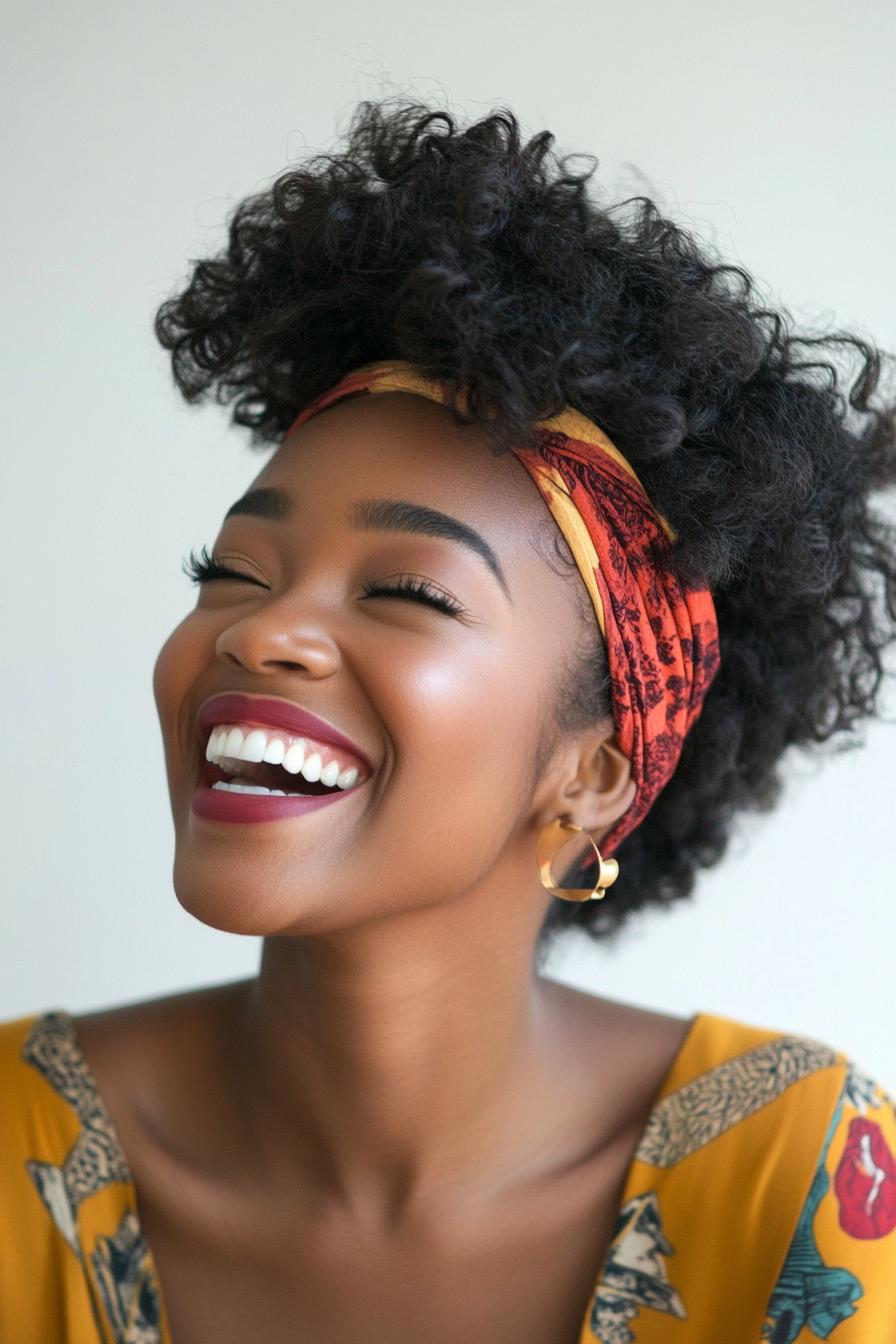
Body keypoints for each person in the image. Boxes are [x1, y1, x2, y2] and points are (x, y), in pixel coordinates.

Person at [2, 98, 895, 1344]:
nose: (260, 632)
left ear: (590, 774)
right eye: (235, 571)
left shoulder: (796, 1178)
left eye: (407, 592)